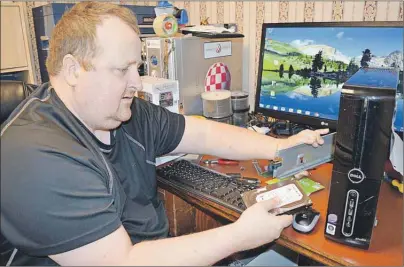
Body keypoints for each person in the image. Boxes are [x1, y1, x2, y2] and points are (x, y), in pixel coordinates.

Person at [0, 2, 329, 266]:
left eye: (138, 67)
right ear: (73, 70)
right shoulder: (36, 158)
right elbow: (122, 262)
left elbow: (198, 132)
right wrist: (240, 236)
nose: (137, 82)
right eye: (122, 69)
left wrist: (279, 145)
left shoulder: (120, 111)